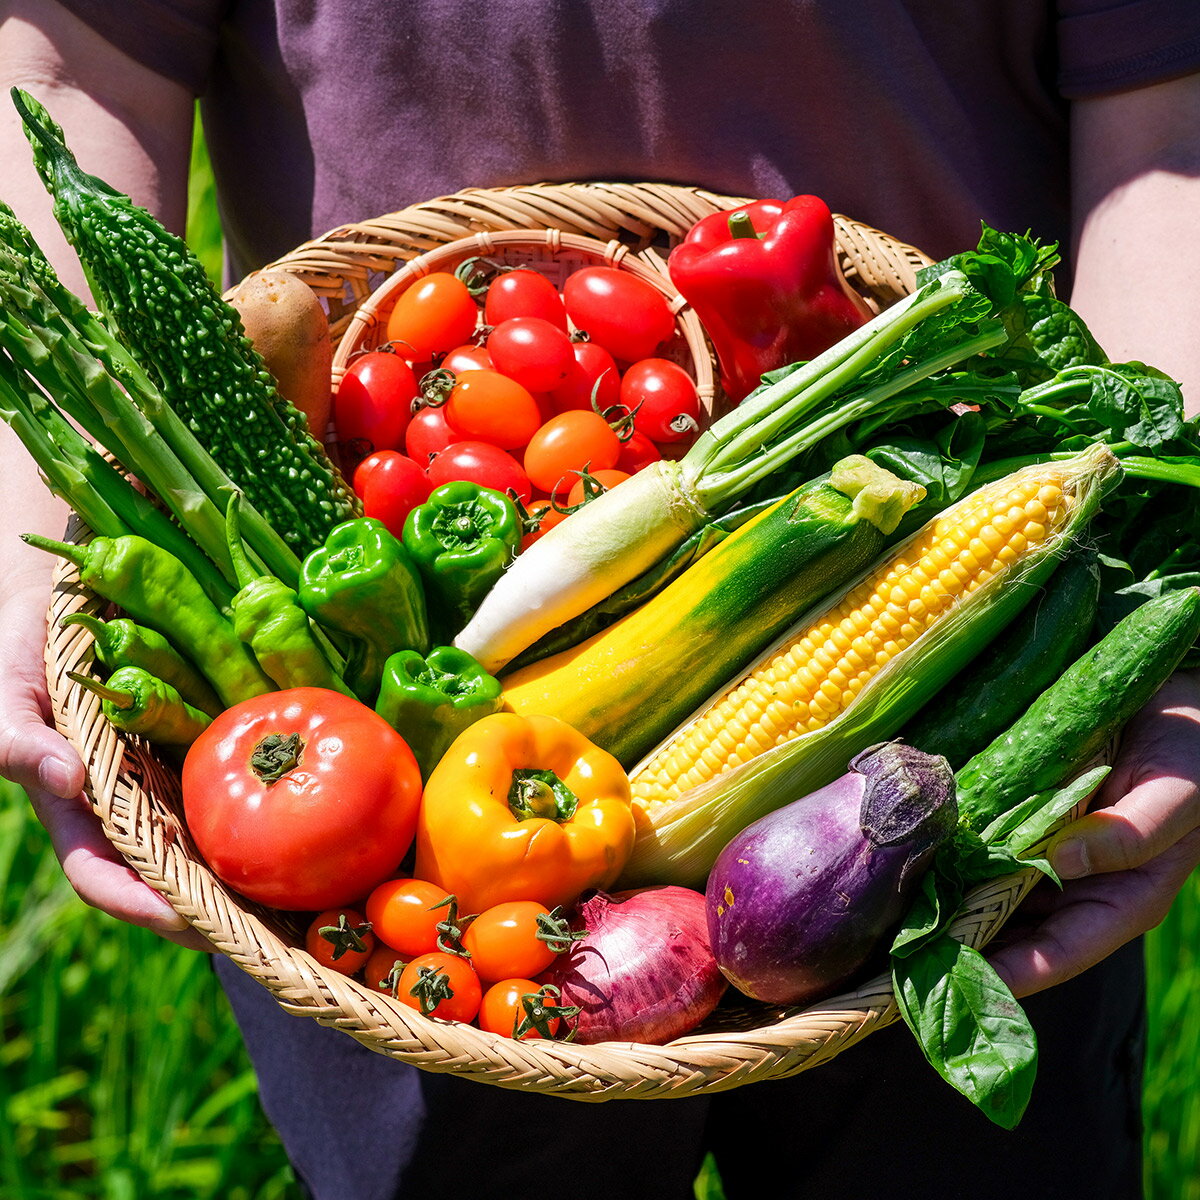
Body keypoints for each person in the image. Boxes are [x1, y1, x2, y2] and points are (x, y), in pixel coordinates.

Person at [1, 2, 1198, 1196]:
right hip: (392, 862)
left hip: (976, 578)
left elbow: (1170, 120)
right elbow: (74, 55)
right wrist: (35, 536)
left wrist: (1168, 637)